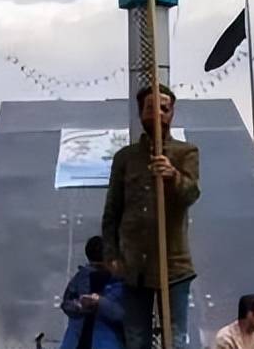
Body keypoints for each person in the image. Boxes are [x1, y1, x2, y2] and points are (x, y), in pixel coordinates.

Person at [102, 84, 201, 349]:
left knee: (175, 339)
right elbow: (112, 211)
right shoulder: (125, 158)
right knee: (136, 339)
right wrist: (111, 255)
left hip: (174, 264)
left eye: (164, 108)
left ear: (172, 113)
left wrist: (173, 176)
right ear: (140, 113)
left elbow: (191, 194)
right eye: (150, 108)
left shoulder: (185, 153)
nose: (157, 113)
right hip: (134, 267)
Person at [59, 236, 126, 349]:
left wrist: (98, 303)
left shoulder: (80, 278)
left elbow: (66, 304)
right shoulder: (119, 282)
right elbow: (67, 304)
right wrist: (80, 305)